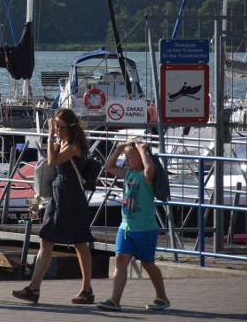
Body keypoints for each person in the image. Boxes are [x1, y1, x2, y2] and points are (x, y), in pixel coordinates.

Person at [12, 107, 95, 305]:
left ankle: (87, 289)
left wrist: (49, 138)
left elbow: (52, 161)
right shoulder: (64, 142)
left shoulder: (74, 145)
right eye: (55, 127)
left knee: (79, 242)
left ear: (71, 127)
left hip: (72, 196)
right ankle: (34, 288)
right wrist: (54, 141)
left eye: (61, 127)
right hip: (58, 195)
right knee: (46, 239)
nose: (58, 130)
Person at [97, 141, 171, 311]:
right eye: (126, 157)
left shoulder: (145, 176)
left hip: (145, 229)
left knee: (147, 263)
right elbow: (108, 166)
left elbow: (150, 169)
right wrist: (117, 150)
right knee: (120, 260)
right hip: (126, 227)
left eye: (131, 157)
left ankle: (162, 296)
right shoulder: (128, 173)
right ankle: (114, 299)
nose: (127, 161)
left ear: (141, 159)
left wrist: (143, 149)